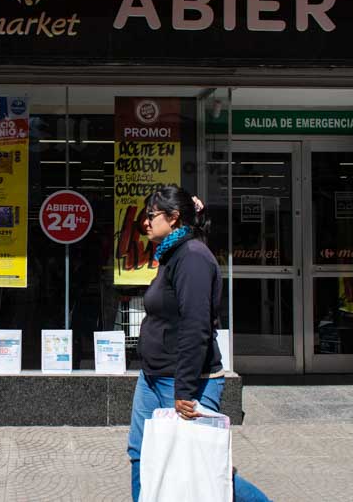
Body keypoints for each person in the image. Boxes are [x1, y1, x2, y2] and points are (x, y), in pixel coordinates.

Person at [127, 184, 270, 502]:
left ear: (173, 218)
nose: (145, 223)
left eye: (151, 216)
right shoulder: (172, 253)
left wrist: (184, 391)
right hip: (153, 377)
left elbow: (196, 328)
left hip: (183, 381)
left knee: (204, 466)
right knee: (141, 454)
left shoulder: (192, 258)